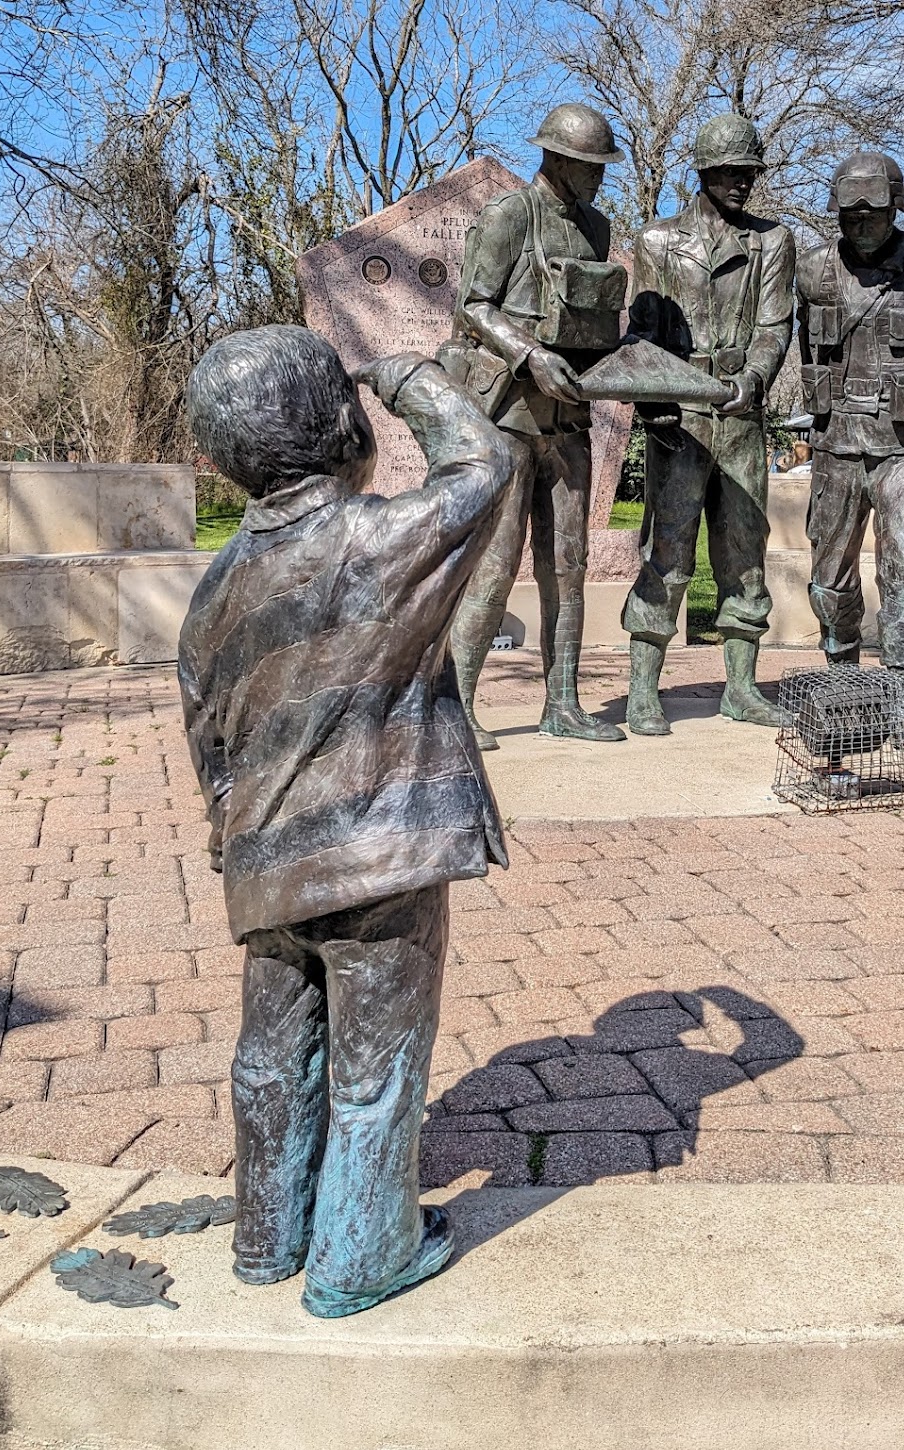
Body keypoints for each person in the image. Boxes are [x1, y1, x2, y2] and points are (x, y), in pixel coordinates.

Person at [178, 326, 514, 1318]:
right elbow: (483, 463)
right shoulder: (381, 540)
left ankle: (267, 1236)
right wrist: (405, 375)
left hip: (268, 868)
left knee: (271, 1060)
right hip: (380, 858)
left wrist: (239, 844)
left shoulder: (215, 588)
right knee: (375, 1068)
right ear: (343, 426)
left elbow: (210, 748)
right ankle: (362, 1255)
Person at [448, 102, 628, 749]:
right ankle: (457, 705)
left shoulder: (597, 228)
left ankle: (563, 704)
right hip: (507, 415)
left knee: (569, 564)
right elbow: (472, 305)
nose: (598, 177)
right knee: (496, 565)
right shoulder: (509, 215)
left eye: (601, 167)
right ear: (555, 158)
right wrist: (530, 354)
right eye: (589, 166)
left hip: (569, 420)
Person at [622, 113, 795, 735]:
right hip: (679, 418)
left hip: (740, 417)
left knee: (744, 550)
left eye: (749, 173)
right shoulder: (657, 241)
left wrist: (755, 378)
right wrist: (650, 402)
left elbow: (775, 325)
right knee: (666, 551)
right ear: (703, 172)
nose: (742, 182)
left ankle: (740, 688)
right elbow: (641, 334)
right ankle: (643, 690)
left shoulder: (772, 241)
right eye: (730, 172)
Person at [797, 151, 904, 675]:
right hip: (836, 445)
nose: (861, 224)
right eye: (851, 215)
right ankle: (842, 675)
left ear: (895, 209)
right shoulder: (812, 268)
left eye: (874, 214)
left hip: (903, 447)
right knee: (828, 581)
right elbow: (793, 339)